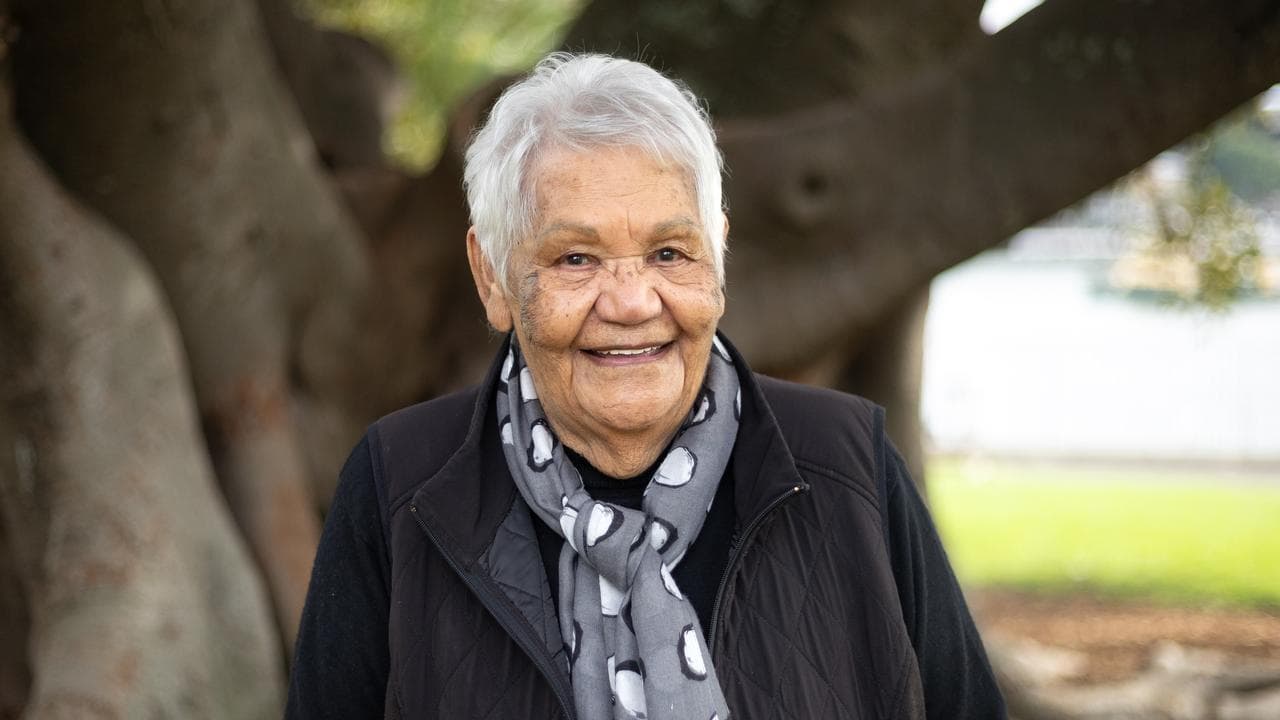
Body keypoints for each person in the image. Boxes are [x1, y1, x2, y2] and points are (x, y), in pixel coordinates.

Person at [286, 52, 1005, 720]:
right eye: (575, 258)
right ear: (493, 277)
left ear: (716, 255)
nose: (631, 302)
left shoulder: (848, 464)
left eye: (668, 252)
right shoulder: (399, 482)